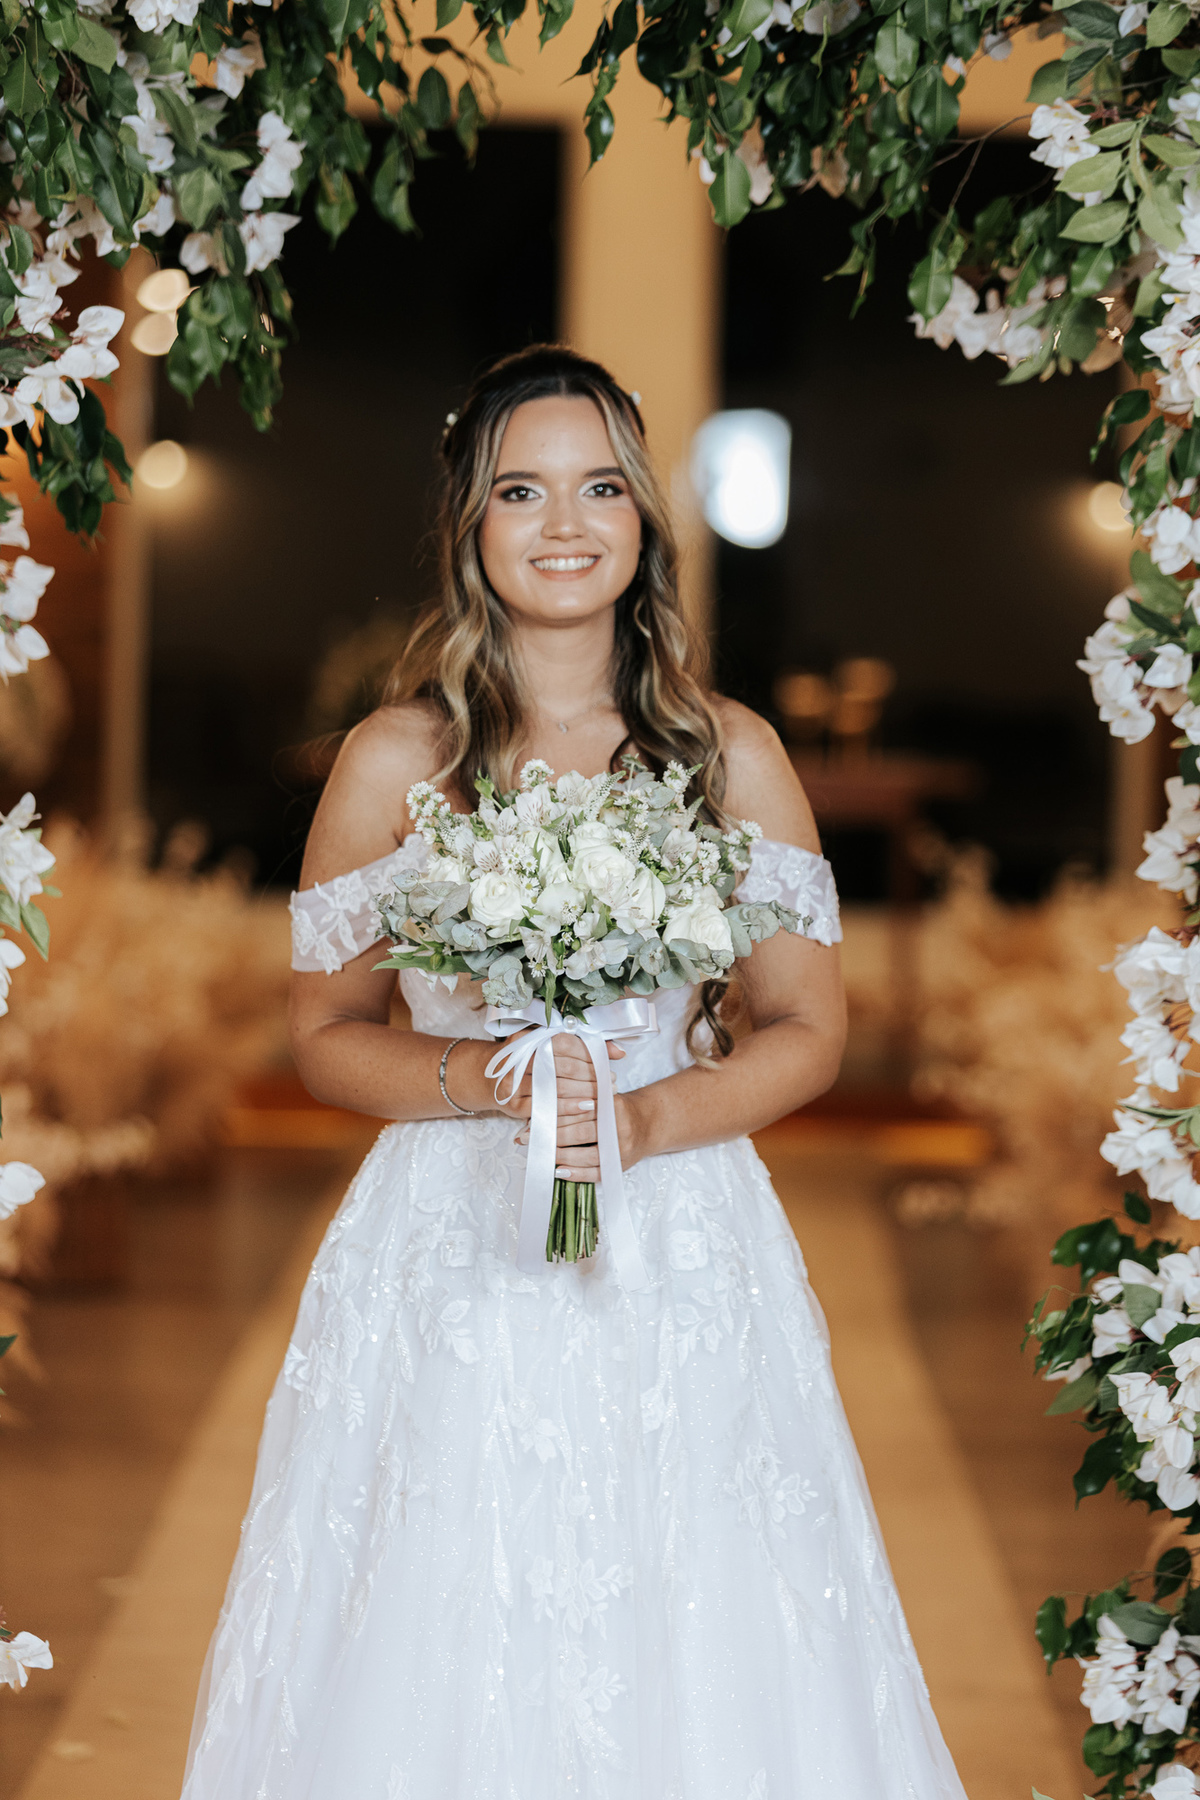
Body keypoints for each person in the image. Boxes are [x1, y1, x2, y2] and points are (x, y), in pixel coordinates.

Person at [180, 344, 967, 1800]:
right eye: (520, 491)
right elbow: (325, 1034)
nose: (563, 523)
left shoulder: (727, 754)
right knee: (447, 1598)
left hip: (680, 1238)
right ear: (468, 524)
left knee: (697, 1599)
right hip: (453, 1241)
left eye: (601, 487)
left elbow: (808, 1026)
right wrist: (493, 1077)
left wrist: (647, 1116)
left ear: (645, 520)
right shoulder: (396, 759)